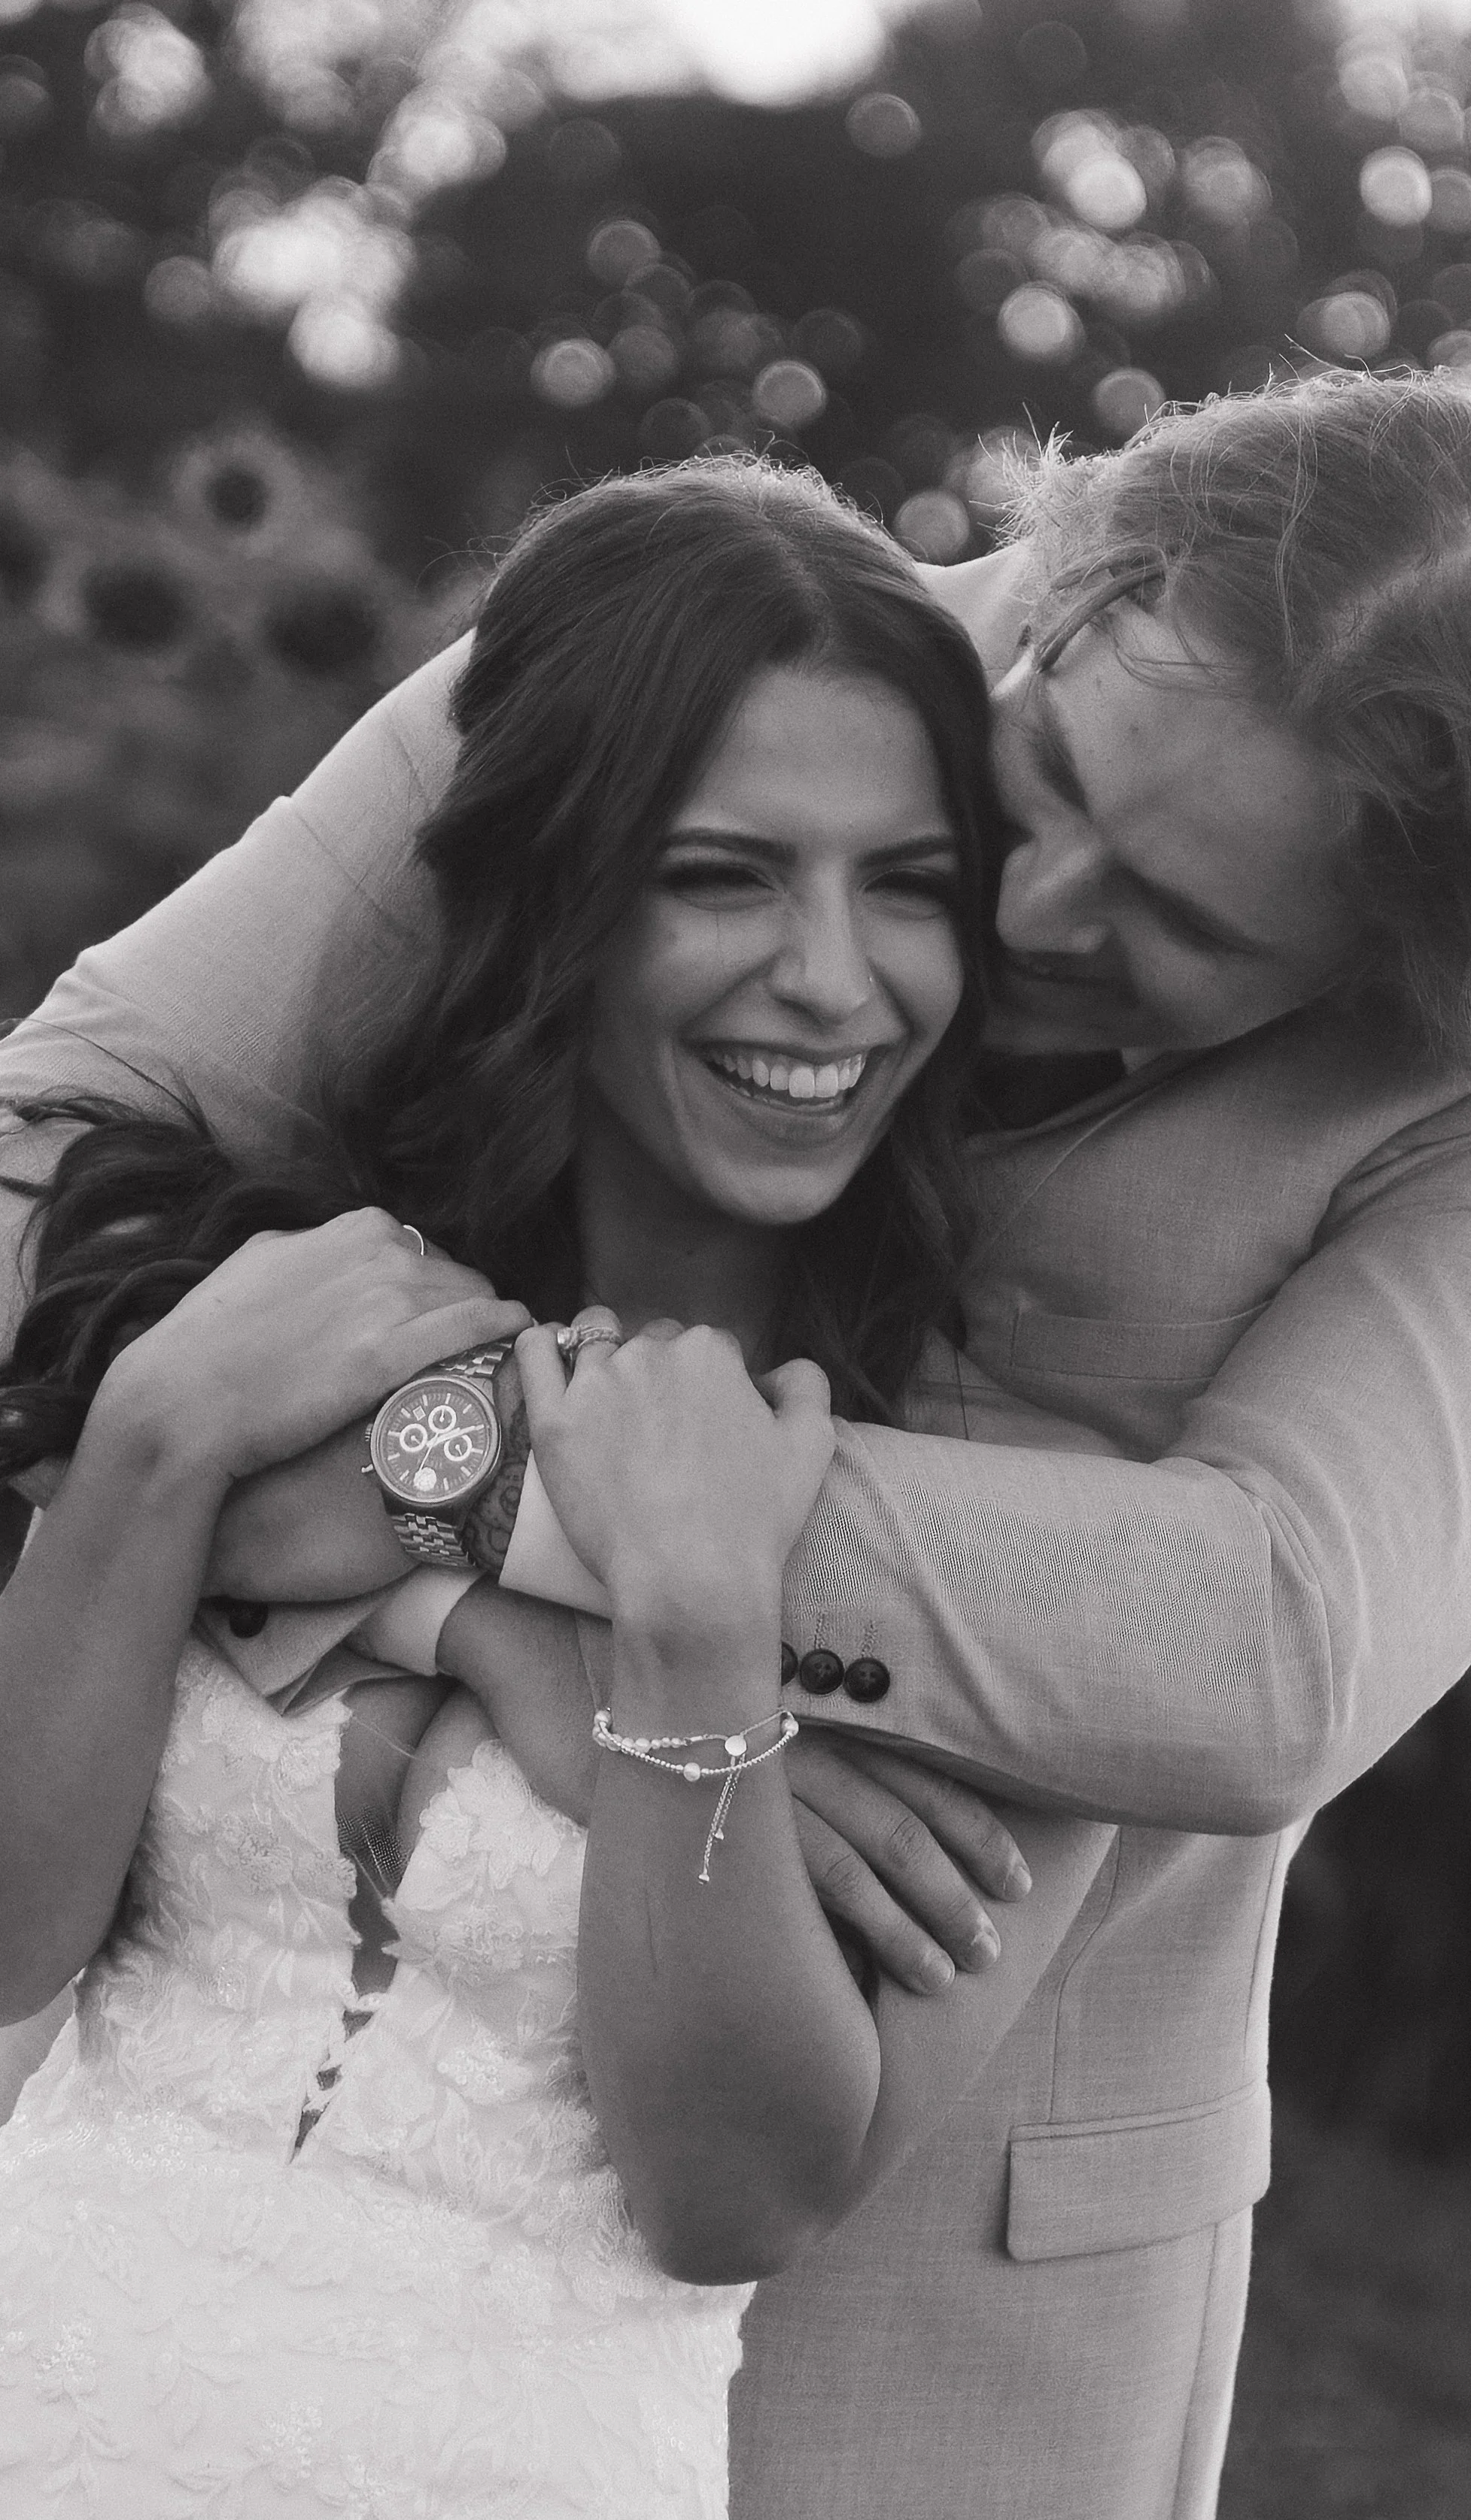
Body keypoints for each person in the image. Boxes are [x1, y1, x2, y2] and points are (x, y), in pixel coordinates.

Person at [4, 371, 1471, 2518]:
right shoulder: (677, 667)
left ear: (1385, 975)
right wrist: (470, 1556)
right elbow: (46, 1161)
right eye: (1043, 775)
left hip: (950, 2281)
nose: (1033, 909)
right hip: (231, 2200)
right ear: (1078, 589)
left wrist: (504, 1476)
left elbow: (1265, 1637)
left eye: (1185, 933)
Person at [0, 459, 1113, 2516]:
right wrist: (161, 1446)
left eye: (910, 882)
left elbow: (734, 2191)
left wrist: (692, 1645)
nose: (832, 977)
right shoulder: (270, 1302)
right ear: (560, 893)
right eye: (723, 875)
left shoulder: (982, 1497)